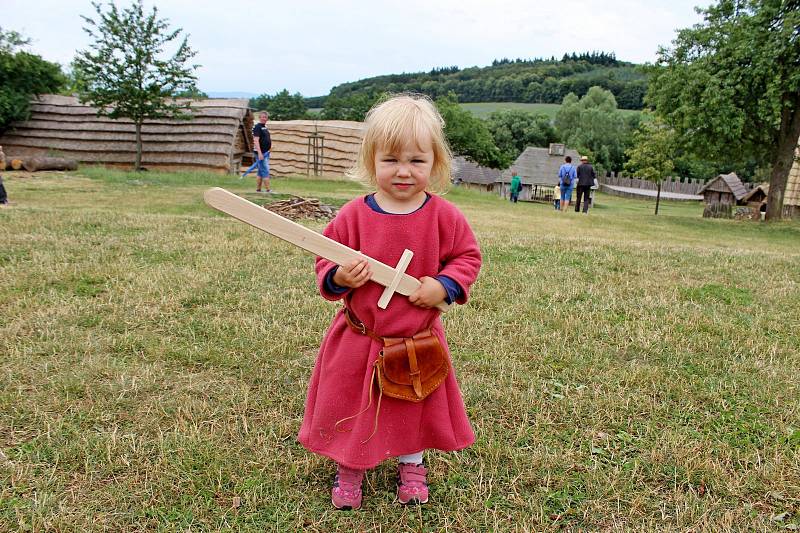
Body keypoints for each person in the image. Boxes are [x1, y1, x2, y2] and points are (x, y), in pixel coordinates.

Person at [298, 94, 482, 511]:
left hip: (416, 340)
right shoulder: (352, 215)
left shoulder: (444, 216)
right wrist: (340, 276)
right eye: (391, 160)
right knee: (353, 404)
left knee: (412, 404)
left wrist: (444, 285)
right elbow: (325, 256)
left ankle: (412, 464)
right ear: (371, 161)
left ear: (434, 162)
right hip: (360, 338)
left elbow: (467, 257)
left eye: (416, 161)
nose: (403, 171)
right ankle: (350, 466)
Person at [252, 111, 272, 193]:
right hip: (261, 153)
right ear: (259, 118)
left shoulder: (265, 127)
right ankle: (268, 190)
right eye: (262, 117)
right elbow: (256, 141)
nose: (264, 118)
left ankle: (258, 190)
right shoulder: (257, 127)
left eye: (265, 117)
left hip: (266, 152)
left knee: (260, 171)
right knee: (265, 170)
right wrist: (260, 153)